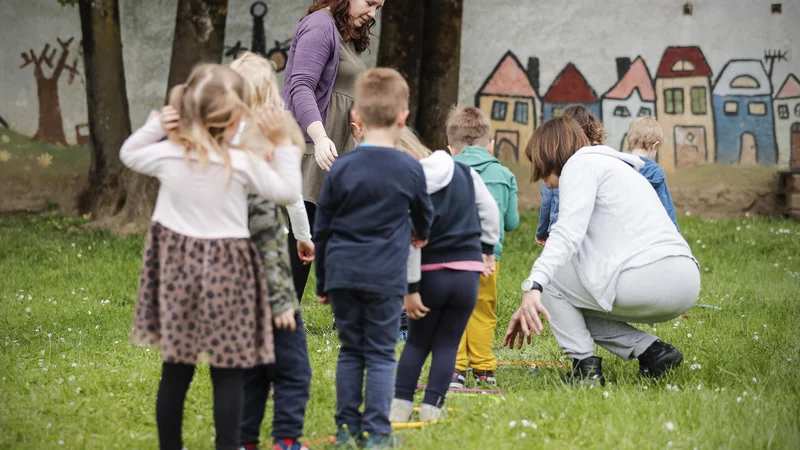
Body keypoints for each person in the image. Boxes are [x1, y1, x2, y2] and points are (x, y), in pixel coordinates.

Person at [123, 64, 303, 450]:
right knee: (229, 373)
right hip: (231, 273)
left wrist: (158, 123)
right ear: (235, 117)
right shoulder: (241, 163)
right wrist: (282, 143)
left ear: (186, 109)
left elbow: (129, 153)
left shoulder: (168, 155)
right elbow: (288, 192)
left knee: (176, 371)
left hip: (177, 273)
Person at [505, 116, 700, 386]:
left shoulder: (579, 165)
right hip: (684, 280)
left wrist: (533, 286)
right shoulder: (613, 167)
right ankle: (653, 352)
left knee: (552, 285)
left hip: (650, 277)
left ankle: (585, 369)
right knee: (571, 305)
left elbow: (567, 232)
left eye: (538, 165)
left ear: (548, 156)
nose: (542, 178)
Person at [314, 68, 433, 448]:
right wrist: (420, 232)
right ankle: (379, 434)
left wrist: (323, 282)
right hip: (386, 278)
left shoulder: (341, 168)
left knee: (351, 352)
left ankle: (347, 430)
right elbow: (425, 215)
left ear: (358, 120)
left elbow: (324, 228)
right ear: (403, 117)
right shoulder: (410, 168)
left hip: (343, 276)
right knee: (381, 355)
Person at [227, 52, 313, 450]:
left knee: (254, 367)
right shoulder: (264, 150)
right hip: (268, 287)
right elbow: (291, 195)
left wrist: (300, 235)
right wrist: (282, 301)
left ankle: (244, 440)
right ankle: (286, 441)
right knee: (293, 368)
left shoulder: (221, 145)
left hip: (233, 285)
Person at [389, 127, 500, 423]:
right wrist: (487, 248)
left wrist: (410, 288)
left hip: (428, 276)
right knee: (448, 343)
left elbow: (412, 241)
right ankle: (432, 410)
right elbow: (490, 210)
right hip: (467, 276)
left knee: (416, 342)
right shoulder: (464, 172)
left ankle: (400, 407)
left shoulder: (409, 185)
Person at [281, 0, 382, 300]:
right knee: (307, 227)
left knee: (339, 228)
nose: (372, 14)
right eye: (369, 3)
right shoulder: (319, 26)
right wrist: (321, 137)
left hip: (337, 146)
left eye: (378, 7)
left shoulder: (344, 33)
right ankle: (280, 314)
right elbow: (301, 86)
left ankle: (347, 310)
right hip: (316, 146)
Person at [445, 106, 519, 388]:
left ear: (451, 148)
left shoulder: (448, 171)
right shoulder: (504, 175)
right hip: (488, 258)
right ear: (491, 143)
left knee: (453, 310)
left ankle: (455, 370)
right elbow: (510, 223)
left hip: (451, 257)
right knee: (483, 310)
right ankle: (485, 370)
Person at [535, 105, 603, 246]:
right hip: (592, 234)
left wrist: (542, 232)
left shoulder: (557, 166)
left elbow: (547, 203)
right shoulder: (600, 160)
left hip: (560, 232)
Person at [626, 116, 680, 230]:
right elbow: (666, 208)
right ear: (654, 146)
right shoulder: (655, 171)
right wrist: (675, 232)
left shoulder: (621, 166)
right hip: (651, 229)